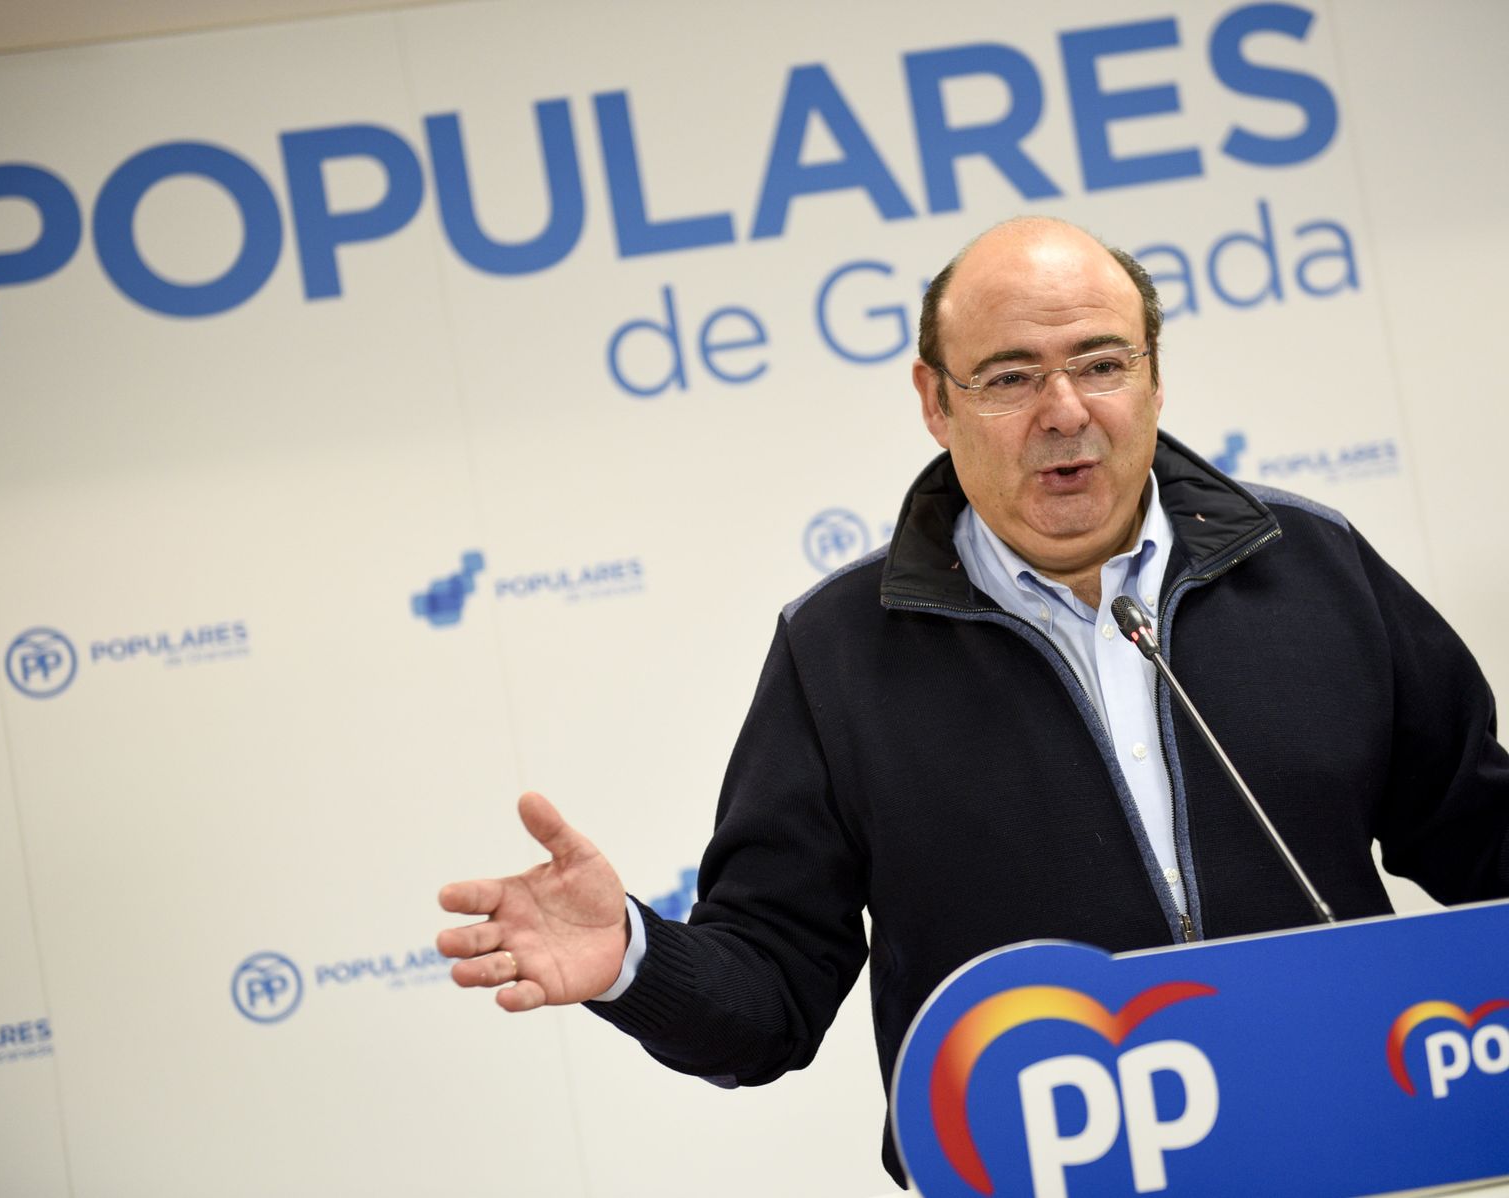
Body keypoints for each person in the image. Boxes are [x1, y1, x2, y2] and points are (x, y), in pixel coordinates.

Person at [437, 217, 1509, 1186]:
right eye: (1008, 376)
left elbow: (1480, 837)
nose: (1065, 411)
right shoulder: (838, 651)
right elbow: (769, 993)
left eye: (1101, 363)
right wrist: (631, 956)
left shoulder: (1310, 565)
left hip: (1346, 1150)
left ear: (1154, 379)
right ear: (934, 402)